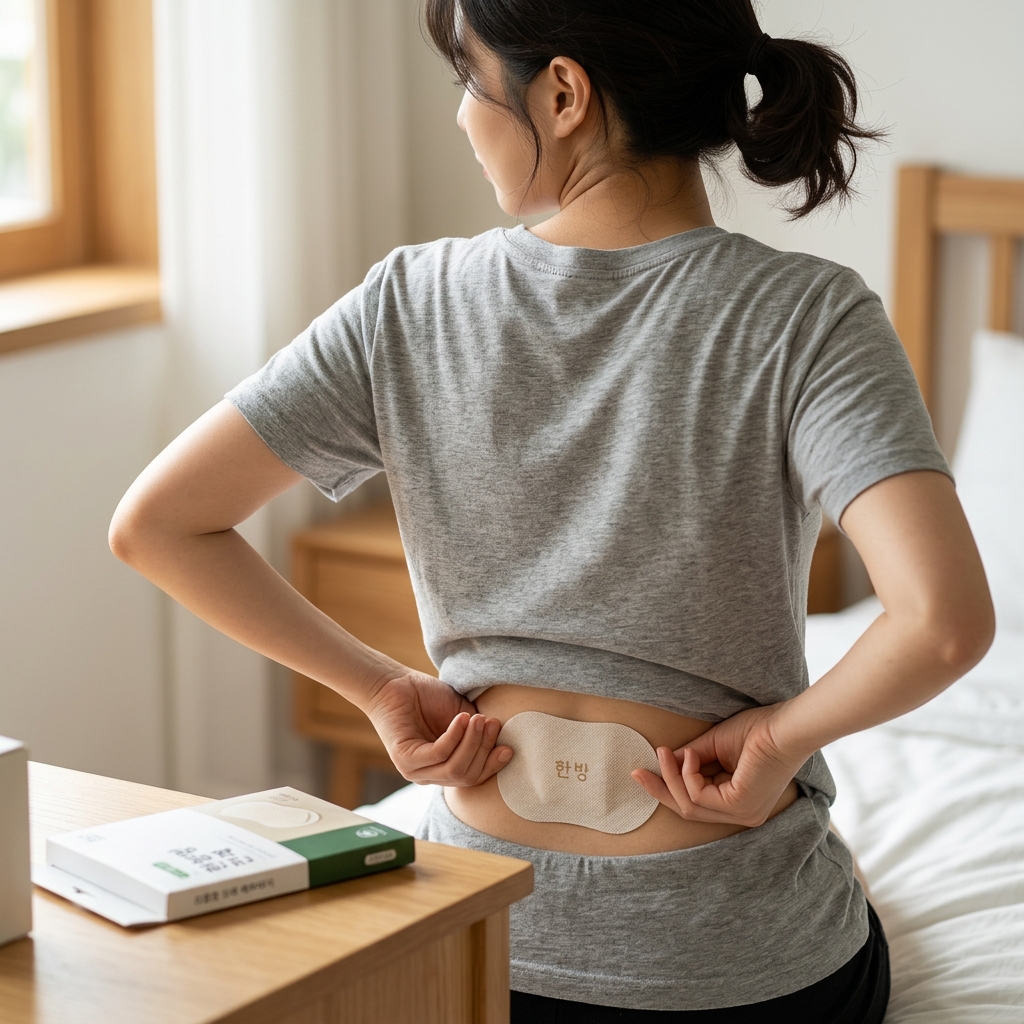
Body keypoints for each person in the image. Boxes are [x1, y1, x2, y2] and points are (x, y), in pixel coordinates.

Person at [109, 2, 994, 1021]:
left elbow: (157, 524)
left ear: (563, 95)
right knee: (853, 908)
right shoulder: (807, 315)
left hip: (470, 947)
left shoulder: (410, 300)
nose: (460, 118)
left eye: (469, 80)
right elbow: (941, 624)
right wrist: (780, 741)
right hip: (732, 976)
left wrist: (380, 689)